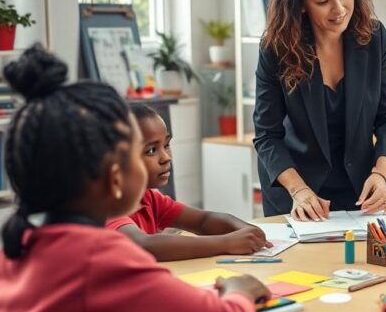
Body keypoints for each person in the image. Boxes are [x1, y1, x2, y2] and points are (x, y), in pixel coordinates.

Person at [0, 46, 271, 312]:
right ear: (116, 177)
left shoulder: (18, 246)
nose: (162, 158)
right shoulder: (99, 258)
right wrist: (239, 290)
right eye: (141, 151)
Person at [253, 0, 386, 220]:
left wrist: (380, 173)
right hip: (296, 191)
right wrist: (299, 191)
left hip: (358, 187)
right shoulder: (276, 48)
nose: (339, 9)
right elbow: (267, 135)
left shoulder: (374, 38)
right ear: (300, 4)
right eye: (323, 1)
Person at [105, 103, 271, 261]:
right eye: (151, 150)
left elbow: (203, 220)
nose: (166, 157)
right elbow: (143, 245)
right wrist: (227, 242)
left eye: (167, 144)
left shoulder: (149, 198)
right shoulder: (108, 205)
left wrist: (246, 230)